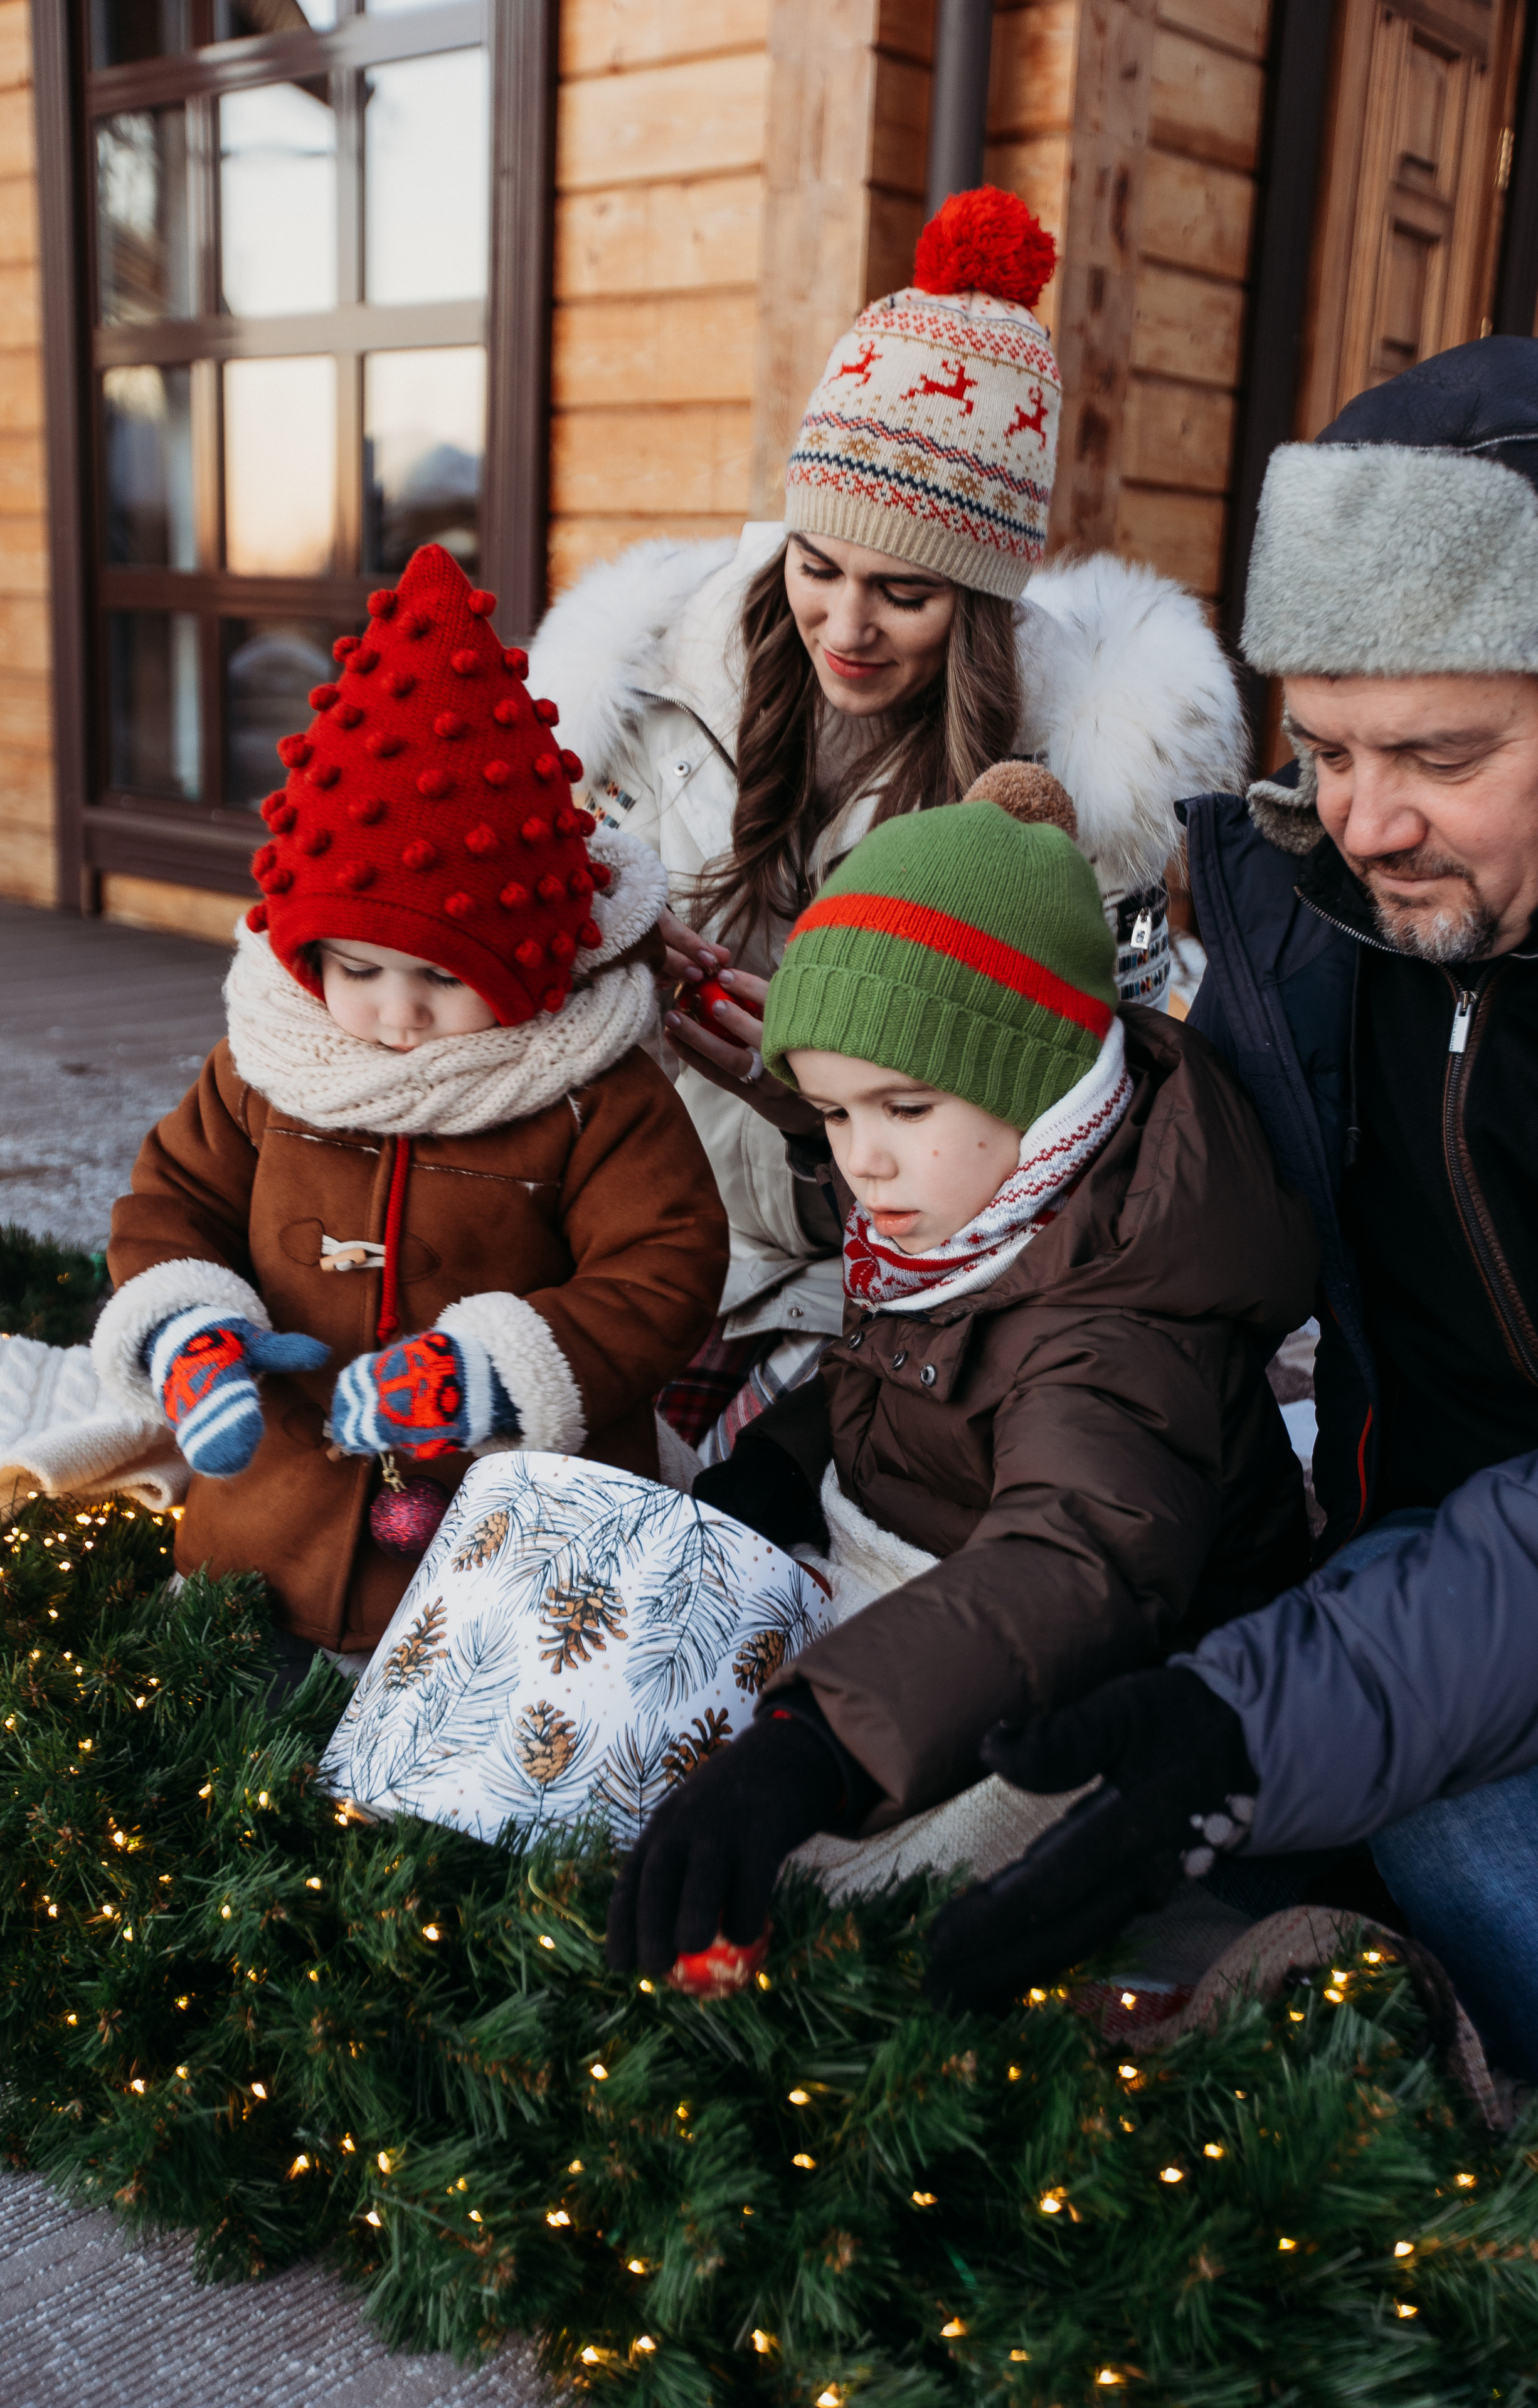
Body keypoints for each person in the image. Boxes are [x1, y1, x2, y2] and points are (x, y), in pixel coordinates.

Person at [920, 337, 1538, 2115]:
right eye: (1326, 745)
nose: (1366, 821)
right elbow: (1165, 1274)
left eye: (1441, 753)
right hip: (1414, 1577)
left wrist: (1254, 1728)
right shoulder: (1317, 930)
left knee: (1453, 1831)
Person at [525, 187, 1244, 1455]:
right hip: (617, 1225)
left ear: (979, 607)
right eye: (818, 566)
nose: (844, 626)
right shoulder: (634, 684)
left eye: (902, 593)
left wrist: (808, 1108)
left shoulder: (1077, 791)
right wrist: (611, 938)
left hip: (863, 1285)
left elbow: (1068, 1129)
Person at [604, 760, 1318, 1978]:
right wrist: (778, 1472)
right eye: (832, 1115)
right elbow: (897, 1379)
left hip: (1099, 1685)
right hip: (927, 1607)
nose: (863, 1165)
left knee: (845, 1921)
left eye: (902, 1108)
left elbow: (1074, 1566)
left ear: (1036, 1085)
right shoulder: (967, 1218)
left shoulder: (1118, 1322)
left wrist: (814, 1747)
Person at [92, 543, 728, 1662]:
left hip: (505, 1560)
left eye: (443, 977)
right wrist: (190, 1330)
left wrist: (497, 1369)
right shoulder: (269, 1064)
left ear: (532, 963)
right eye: (357, 968)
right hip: (269, 1531)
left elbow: (665, 1266)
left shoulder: (589, 1091)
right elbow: (173, 1201)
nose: (395, 1014)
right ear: (305, 957)